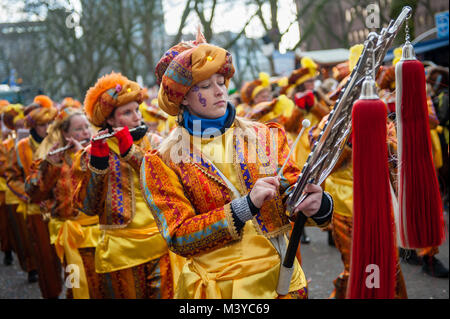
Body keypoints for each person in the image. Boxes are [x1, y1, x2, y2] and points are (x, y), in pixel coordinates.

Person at [140, 31, 334, 299]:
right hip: (219, 290)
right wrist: (244, 208)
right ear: (183, 97)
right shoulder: (162, 161)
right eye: (206, 86)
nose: (220, 90)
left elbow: (293, 197)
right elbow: (178, 236)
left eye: (221, 81)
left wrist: (319, 205)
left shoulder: (266, 136)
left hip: (281, 281)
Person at [72, 72, 179, 299]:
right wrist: (98, 164)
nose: (137, 118)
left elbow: (166, 183)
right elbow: (88, 207)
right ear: (110, 120)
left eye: (137, 110)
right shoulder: (90, 154)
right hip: (119, 253)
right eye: (127, 113)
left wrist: (132, 153)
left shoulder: (156, 143)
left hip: (160, 245)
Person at [25, 106, 106, 298]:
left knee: (103, 287)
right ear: (64, 133)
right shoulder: (53, 159)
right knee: (76, 285)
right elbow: (34, 194)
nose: (85, 132)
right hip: (71, 236)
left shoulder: (100, 154)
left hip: (101, 235)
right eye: (78, 129)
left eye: (86, 127)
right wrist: (49, 166)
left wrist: (84, 157)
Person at [5, 95, 62, 298]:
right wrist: (28, 194)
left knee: (67, 258)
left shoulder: (58, 143)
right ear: (33, 125)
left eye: (49, 123)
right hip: (36, 210)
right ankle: (50, 292)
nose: (46, 128)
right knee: (44, 257)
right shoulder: (20, 147)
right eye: (42, 124)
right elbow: (12, 176)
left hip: (59, 210)